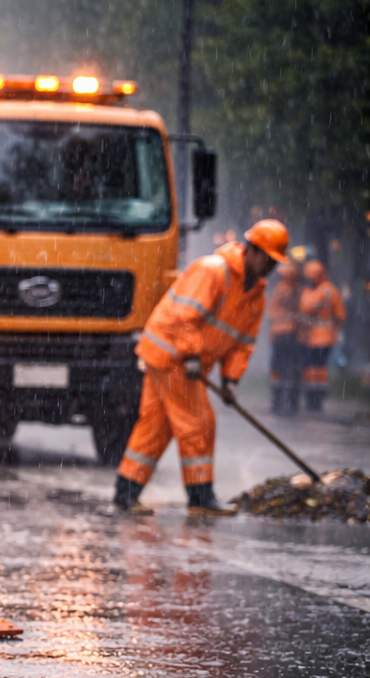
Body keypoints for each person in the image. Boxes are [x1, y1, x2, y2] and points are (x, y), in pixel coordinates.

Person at [112, 219, 287, 516]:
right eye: (268, 260)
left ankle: (125, 494)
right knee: (199, 423)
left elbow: (242, 344)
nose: (270, 268)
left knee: (155, 427)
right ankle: (200, 498)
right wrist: (192, 355)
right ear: (252, 251)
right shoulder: (213, 270)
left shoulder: (255, 296)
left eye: (275, 263)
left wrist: (230, 380)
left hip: (176, 359)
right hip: (174, 356)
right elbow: (185, 316)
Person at [296, 259, 346, 412]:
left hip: (323, 338)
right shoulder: (307, 292)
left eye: (314, 275)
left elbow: (340, 316)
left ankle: (317, 400)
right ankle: (311, 399)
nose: (311, 279)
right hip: (308, 337)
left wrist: (335, 332)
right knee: (309, 367)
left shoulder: (328, 291)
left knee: (318, 368)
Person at [266, 259, 302, 414]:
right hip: (288, 334)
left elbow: (271, 312)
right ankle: (286, 401)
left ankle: (280, 401)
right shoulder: (294, 290)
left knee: (281, 368)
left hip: (284, 334)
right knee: (287, 368)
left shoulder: (286, 290)